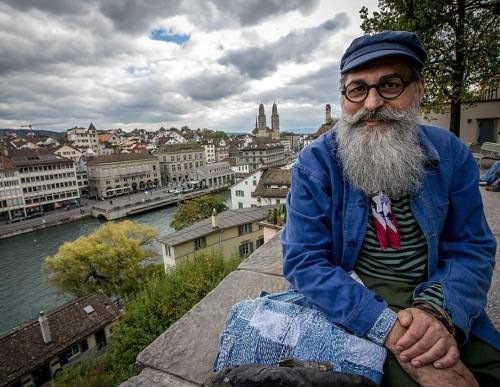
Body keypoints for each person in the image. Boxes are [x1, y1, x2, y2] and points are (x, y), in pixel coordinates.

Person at [281, 31, 499, 386]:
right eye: (357, 89)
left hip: (436, 287)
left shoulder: (452, 154)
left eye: (390, 85)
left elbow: (472, 247)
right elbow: (303, 259)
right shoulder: (315, 163)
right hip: (356, 295)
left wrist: (437, 313)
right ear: (344, 98)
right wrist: (391, 330)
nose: (371, 103)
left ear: (419, 89)